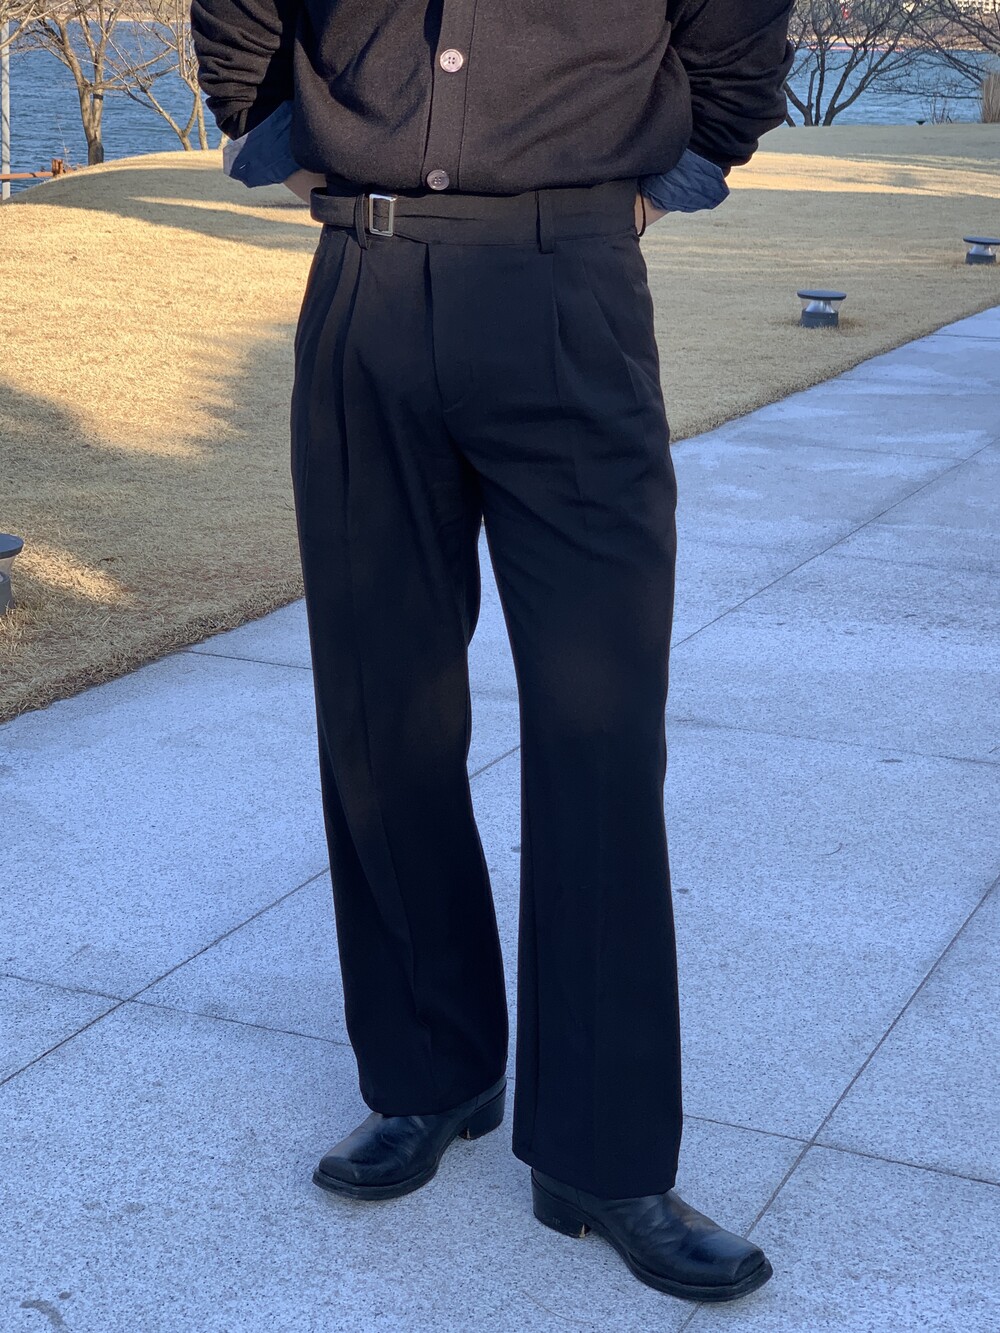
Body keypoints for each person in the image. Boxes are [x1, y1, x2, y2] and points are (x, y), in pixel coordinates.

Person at [192, 0, 793, 1305]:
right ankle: (431, 1071)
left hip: (570, 285)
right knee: (381, 713)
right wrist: (275, 133)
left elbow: (737, 32)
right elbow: (240, 14)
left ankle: (602, 1154)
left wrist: (655, 185)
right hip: (362, 284)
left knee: (599, 732)